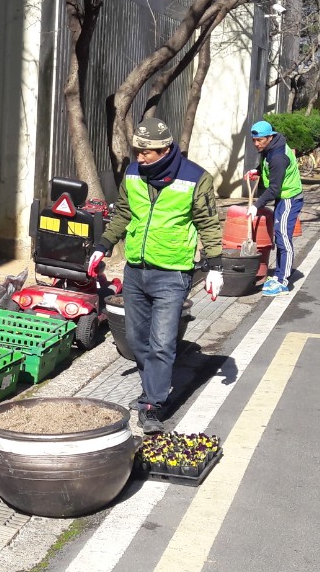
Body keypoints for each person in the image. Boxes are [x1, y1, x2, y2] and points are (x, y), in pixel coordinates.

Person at [88, 118, 224, 434]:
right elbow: (123, 213)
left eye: (146, 152)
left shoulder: (195, 178)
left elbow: (209, 223)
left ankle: (152, 405)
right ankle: (152, 386)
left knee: (162, 343)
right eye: (137, 151)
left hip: (173, 274)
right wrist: (103, 245)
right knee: (136, 340)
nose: (139, 157)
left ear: (164, 150)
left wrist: (216, 267)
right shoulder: (133, 174)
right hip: (136, 271)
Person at [247, 120, 304, 296]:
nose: (256, 144)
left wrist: (256, 206)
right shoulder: (270, 148)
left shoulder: (278, 157)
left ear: (270, 137)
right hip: (283, 197)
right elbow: (267, 166)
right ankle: (279, 274)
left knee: (283, 237)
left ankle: (283, 282)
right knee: (280, 235)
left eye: (260, 140)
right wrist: (257, 170)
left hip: (290, 198)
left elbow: (274, 189)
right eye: (254, 140)